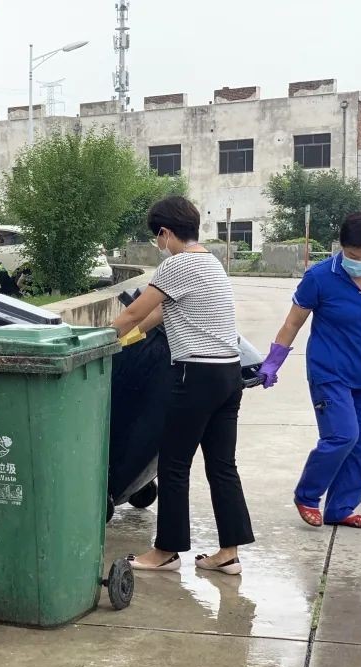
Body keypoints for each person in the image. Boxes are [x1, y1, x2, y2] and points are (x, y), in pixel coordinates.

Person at [111, 196, 254, 575]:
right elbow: (158, 313)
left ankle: (166, 552)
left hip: (196, 376)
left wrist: (93, 340)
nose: (158, 245)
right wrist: (128, 337)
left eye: (157, 237)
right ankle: (229, 553)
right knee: (223, 466)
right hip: (228, 376)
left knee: (174, 465)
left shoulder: (178, 264)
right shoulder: (210, 262)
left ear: (165, 232)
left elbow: (133, 311)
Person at [258, 213, 361, 530]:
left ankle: (341, 508)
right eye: (352, 255)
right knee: (341, 436)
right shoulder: (320, 277)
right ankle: (308, 496)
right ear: (341, 246)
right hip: (329, 371)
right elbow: (293, 322)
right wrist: (272, 362)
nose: (360, 262)